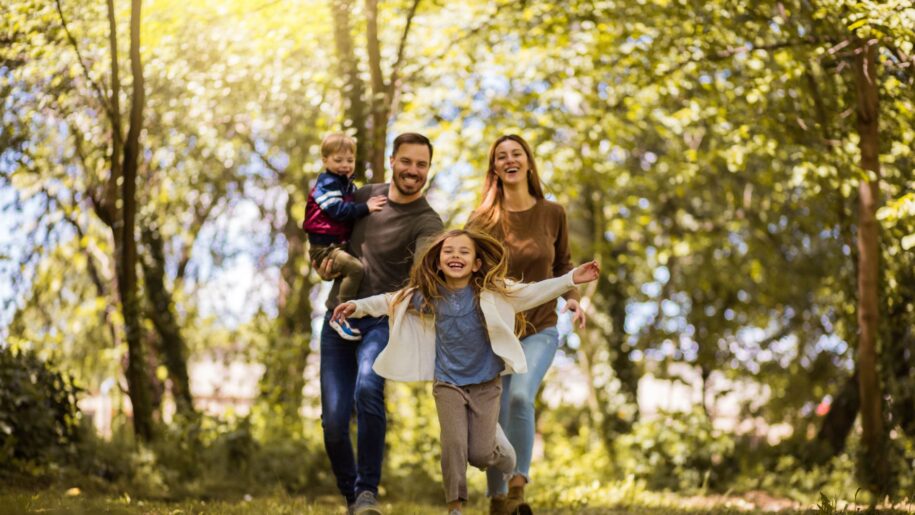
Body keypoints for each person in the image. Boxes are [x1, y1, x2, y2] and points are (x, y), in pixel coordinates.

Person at [331, 229, 600, 515]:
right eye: (448, 251)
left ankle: (504, 452)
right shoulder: (429, 295)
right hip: (448, 383)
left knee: (481, 454)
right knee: (454, 444)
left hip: (486, 383)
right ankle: (455, 507)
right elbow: (390, 300)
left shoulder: (493, 294)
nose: (455, 256)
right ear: (437, 261)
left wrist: (570, 279)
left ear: (476, 264)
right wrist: (356, 306)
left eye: (463, 252)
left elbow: (533, 292)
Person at [316, 133, 443, 515]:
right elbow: (325, 236)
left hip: (383, 321)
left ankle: (367, 491)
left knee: (368, 389)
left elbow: (425, 270)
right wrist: (322, 263)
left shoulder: (428, 220)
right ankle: (352, 495)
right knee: (334, 422)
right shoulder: (360, 198)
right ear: (392, 161)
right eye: (407, 162)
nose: (413, 171)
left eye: (421, 165)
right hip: (338, 319)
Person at [467, 134, 587, 515]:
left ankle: (517, 488)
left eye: (516, 153)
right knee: (493, 413)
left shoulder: (553, 213)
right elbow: (464, 270)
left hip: (541, 327)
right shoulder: (481, 220)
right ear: (495, 169)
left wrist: (573, 299)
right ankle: (497, 499)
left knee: (519, 397)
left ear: (528, 163)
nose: (509, 160)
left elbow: (564, 265)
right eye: (501, 156)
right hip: (494, 332)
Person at [304, 133, 387, 340]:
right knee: (355, 269)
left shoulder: (345, 184)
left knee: (353, 267)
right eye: (338, 160)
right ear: (325, 160)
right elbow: (338, 211)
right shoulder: (326, 184)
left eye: (349, 160)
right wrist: (365, 207)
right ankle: (340, 315)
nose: (345, 165)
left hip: (335, 246)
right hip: (324, 248)